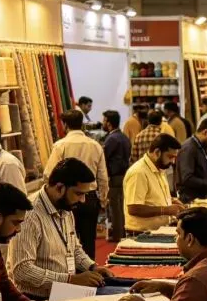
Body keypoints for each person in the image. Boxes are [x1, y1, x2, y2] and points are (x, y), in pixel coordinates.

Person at [11, 158, 112, 299]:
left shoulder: (65, 208)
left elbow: (73, 249)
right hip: (36, 300)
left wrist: (92, 267)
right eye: (79, 193)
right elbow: (22, 270)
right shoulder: (30, 215)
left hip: (64, 294)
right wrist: (70, 279)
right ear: (59, 188)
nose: (83, 200)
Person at [45, 110, 108, 259]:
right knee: (88, 241)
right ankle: (89, 270)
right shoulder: (95, 145)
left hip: (66, 197)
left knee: (66, 240)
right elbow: (103, 177)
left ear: (65, 125)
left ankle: (70, 272)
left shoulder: (60, 145)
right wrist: (102, 200)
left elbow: (49, 174)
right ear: (82, 124)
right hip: (89, 197)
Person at [124, 134, 184, 234]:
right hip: (141, 234)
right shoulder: (139, 172)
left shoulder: (159, 168)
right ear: (157, 152)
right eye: (170, 157)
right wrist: (166, 210)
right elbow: (134, 208)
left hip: (156, 232)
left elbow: (152, 198)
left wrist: (171, 201)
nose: (173, 161)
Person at [175, 117, 207, 203]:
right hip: (192, 199)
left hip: (202, 197)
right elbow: (187, 178)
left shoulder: (201, 146)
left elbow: (203, 173)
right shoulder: (189, 148)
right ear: (205, 132)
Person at [102, 110, 131, 243]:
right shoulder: (124, 137)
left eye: (104, 120)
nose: (103, 123)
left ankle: (118, 235)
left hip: (114, 177)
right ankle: (124, 232)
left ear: (109, 123)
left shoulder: (111, 139)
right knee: (122, 206)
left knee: (115, 207)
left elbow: (104, 158)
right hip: (124, 175)